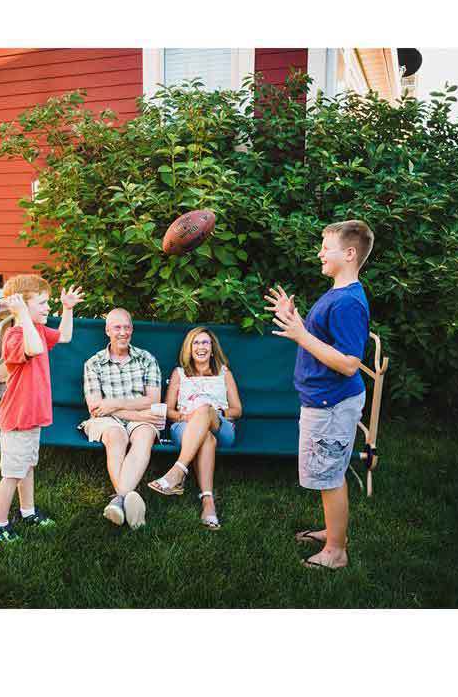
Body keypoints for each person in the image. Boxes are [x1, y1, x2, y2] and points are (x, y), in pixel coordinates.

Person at [266, 219, 374, 571]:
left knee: (329, 476)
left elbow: (348, 363)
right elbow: (326, 340)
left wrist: (299, 334)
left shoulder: (347, 303)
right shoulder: (337, 294)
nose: (319, 253)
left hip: (332, 402)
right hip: (325, 400)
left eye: (326, 248)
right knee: (332, 472)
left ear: (350, 253)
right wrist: (294, 318)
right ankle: (333, 531)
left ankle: (336, 552)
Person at [0, 275, 84, 545]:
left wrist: (68, 308)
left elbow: (65, 336)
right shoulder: (16, 337)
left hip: (33, 415)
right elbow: (35, 349)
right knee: (12, 473)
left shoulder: (36, 328)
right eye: (42, 303)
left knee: (27, 467)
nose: (48, 308)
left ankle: (27, 511)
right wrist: (23, 316)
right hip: (18, 417)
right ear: (23, 308)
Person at [148, 327, 242, 529]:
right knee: (206, 438)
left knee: (205, 409)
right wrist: (187, 416)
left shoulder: (224, 373)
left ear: (212, 347)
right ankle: (208, 503)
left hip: (221, 426)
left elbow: (237, 410)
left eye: (205, 342)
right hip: (185, 427)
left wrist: (212, 412)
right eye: (196, 343)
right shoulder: (179, 374)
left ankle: (178, 470)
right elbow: (168, 410)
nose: (201, 347)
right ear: (189, 348)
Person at [81, 308, 164, 530]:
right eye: (117, 327)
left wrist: (115, 404)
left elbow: (153, 399)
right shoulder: (94, 363)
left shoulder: (146, 359)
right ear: (107, 330)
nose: (123, 332)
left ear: (132, 330)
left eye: (127, 327)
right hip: (108, 420)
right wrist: (133, 412)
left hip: (138, 418)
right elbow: (96, 408)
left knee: (145, 435)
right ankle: (127, 498)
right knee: (116, 437)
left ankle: (118, 501)